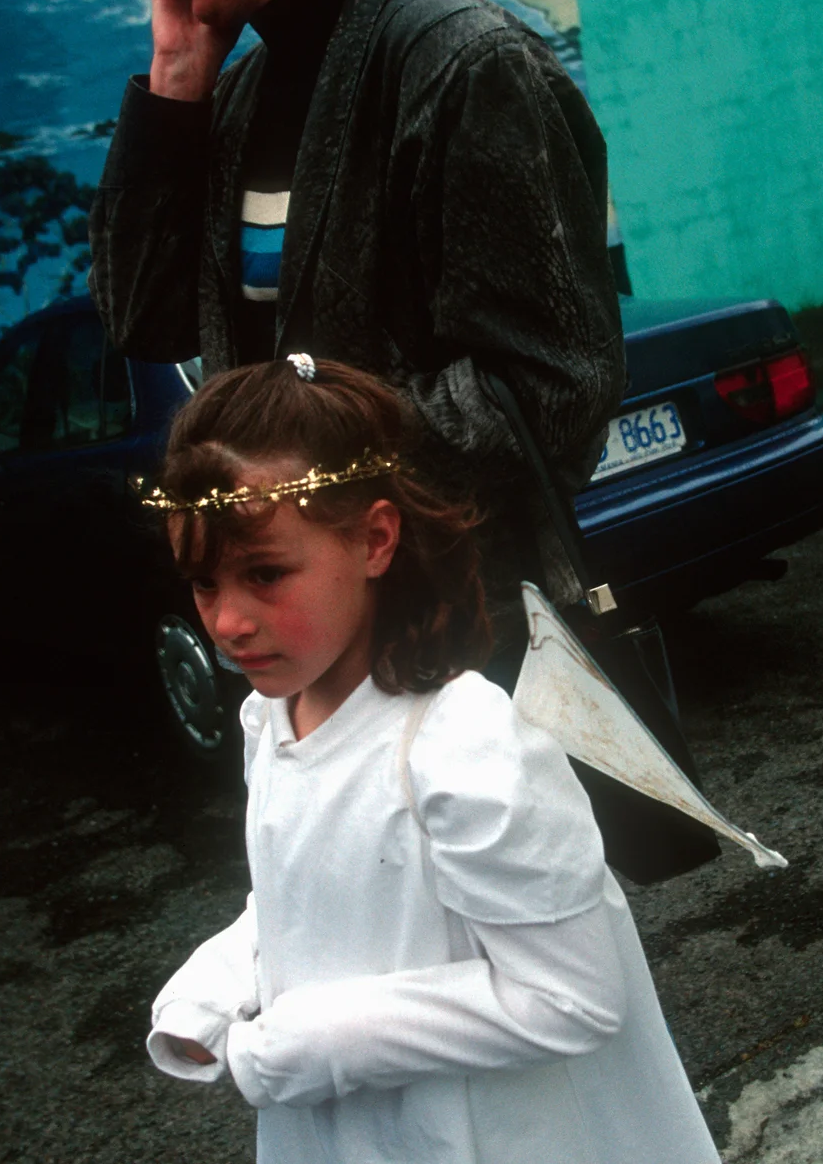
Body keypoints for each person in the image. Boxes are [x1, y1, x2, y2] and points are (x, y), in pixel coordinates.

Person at [138, 354, 719, 1164]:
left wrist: (314, 1039)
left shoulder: (462, 747)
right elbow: (304, 895)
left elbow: (575, 996)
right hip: (347, 1130)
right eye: (203, 583)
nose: (228, 621)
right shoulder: (268, 716)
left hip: (478, 1132)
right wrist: (215, 985)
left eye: (266, 573)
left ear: (375, 538)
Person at [87, 0, 624, 612]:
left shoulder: (463, 64)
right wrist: (175, 79)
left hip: (459, 632)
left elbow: (555, 391)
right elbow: (142, 319)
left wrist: (297, 470)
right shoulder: (238, 96)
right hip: (311, 652)